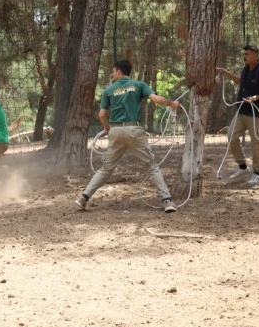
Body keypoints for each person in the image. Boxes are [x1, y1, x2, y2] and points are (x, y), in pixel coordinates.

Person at [74, 59, 180, 213]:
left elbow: (102, 114)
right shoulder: (139, 85)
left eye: (113, 71)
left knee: (105, 169)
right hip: (134, 130)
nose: (112, 74)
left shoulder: (109, 90)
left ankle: (84, 197)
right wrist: (172, 104)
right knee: (151, 167)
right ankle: (167, 201)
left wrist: (107, 128)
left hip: (116, 132)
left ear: (118, 71)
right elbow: (156, 100)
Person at [216, 45, 259, 185]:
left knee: (256, 143)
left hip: (257, 115)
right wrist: (226, 73)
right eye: (244, 54)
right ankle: (243, 167)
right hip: (241, 111)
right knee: (231, 136)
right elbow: (240, 81)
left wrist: (255, 97)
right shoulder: (245, 69)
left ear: (256, 56)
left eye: (247, 54)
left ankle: (257, 173)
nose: (244, 56)